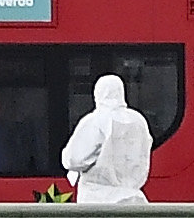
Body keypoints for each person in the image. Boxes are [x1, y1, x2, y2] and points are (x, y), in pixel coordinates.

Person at [61, 74, 154, 204]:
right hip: (133, 199)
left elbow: (73, 160)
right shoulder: (139, 121)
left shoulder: (95, 120)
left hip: (98, 200)